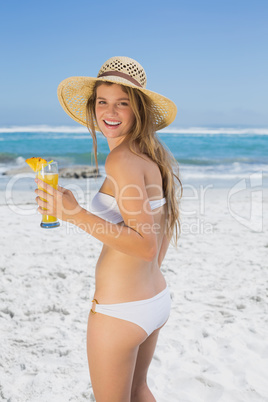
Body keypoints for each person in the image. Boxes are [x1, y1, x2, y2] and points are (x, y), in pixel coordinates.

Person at [35, 56, 182, 401]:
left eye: (122, 103)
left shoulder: (121, 159)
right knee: (138, 390)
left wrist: (74, 214)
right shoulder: (150, 154)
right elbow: (160, 234)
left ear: (139, 110)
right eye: (103, 101)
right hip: (154, 298)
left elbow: (146, 244)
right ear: (93, 106)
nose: (110, 112)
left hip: (120, 313)